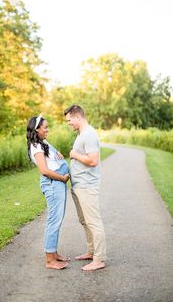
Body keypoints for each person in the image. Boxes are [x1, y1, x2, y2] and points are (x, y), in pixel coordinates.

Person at [64, 105, 106, 271]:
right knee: (85, 221)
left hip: (87, 187)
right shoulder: (82, 134)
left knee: (93, 222)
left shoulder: (89, 134)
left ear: (77, 118)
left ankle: (99, 259)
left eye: (69, 120)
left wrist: (74, 155)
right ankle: (91, 251)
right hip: (79, 186)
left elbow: (93, 160)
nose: (69, 124)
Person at [26, 115, 70, 270]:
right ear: (37, 129)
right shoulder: (36, 147)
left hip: (57, 183)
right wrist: (62, 178)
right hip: (53, 183)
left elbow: (57, 155)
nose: (47, 129)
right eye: (45, 127)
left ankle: (54, 253)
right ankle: (50, 260)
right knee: (54, 220)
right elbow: (44, 170)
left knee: (57, 219)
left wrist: (58, 156)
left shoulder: (42, 143)